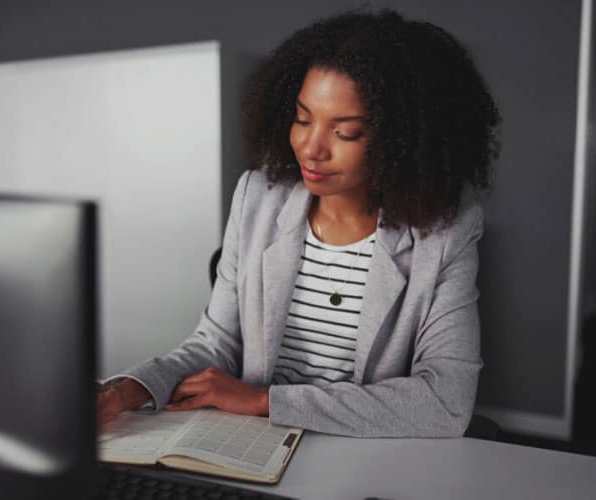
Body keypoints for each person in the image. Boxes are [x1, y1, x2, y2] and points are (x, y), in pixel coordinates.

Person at [97, 9, 500, 438]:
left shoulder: (445, 234)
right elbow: (215, 344)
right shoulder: (257, 198)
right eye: (303, 118)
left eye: (345, 133)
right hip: (249, 444)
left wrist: (266, 401)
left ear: (403, 140)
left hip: (359, 454)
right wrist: (126, 390)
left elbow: (446, 402)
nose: (310, 148)